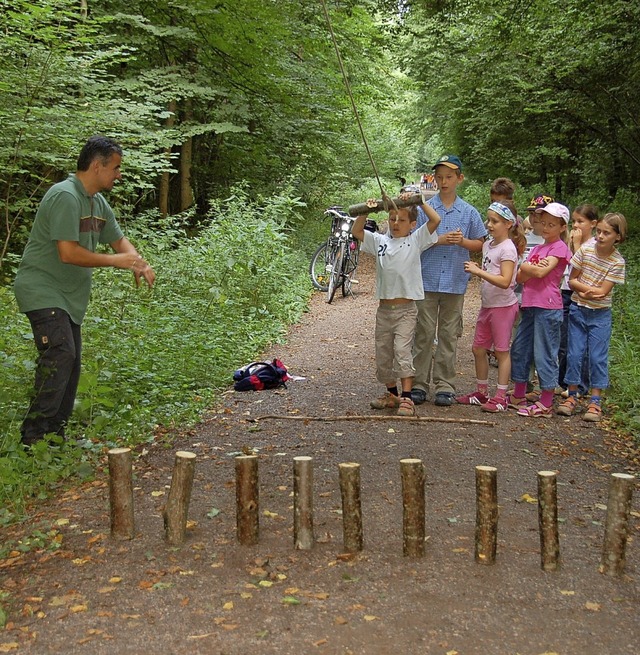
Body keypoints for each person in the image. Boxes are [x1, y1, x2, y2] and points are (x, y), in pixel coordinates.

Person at [14, 135, 155, 447]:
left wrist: (137, 262)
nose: (119, 174)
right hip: (43, 289)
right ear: (96, 166)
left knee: (71, 364)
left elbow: (119, 241)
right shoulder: (65, 196)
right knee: (61, 354)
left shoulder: (97, 202)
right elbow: (69, 253)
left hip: (68, 297)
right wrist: (118, 262)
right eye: (115, 167)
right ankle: (33, 439)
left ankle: (54, 439)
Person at [352, 195, 441, 416]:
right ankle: (392, 394)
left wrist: (419, 202)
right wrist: (365, 211)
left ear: (412, 225)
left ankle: (407, 398)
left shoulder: (415, 240)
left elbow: (435, 220)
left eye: (401, 220)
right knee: (383, 355)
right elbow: (357, 232)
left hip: (406, 310)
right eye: (392, 218)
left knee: (402, 351)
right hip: (384, 311)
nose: (395, 224)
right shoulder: (381, 241)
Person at [411, 155, 487, 406]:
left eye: (449, 177)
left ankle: (445, 384)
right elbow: (412, 243)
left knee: (449, 334)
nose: (444, 182)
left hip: (455, 282)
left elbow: (481, 243)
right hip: (427, 280)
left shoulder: (469, 212)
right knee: (423, 333)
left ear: (459, 179)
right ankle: (419, 383)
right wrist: (437, 240)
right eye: (439, 177)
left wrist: (462, 242)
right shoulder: (425, 209)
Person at [556, 213, 626, 422]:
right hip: (578, 309)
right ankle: (572, 395)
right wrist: (587, 290)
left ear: (618, 237)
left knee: (597, 357)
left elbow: (603, 291)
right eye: (599, 232)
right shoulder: (585, 250)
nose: (601, 236)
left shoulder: (617, 261)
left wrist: (586, 290)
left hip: (600, 315)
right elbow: (572, 279)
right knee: (574, 354)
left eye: (607, 233)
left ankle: (595, 402)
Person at [456, 202, 525, 412]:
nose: (489, 225)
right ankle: (482, 392)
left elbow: (505, 281)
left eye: (495, 221)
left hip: (503, 307)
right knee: (478, 349)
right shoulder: (489, 245)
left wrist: (478, 272)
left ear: (508, 224)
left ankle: (501, 396)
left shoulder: (508, 249)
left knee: (501, 351)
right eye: (488, 220)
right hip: (488, 306)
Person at [509, 202, 572, 416]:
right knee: (520, 348)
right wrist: (528, 269)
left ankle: (546, 401)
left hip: (548, 306)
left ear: (562, 227)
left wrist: (526, 268)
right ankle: (519, 394)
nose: (545, 228)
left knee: (544, 352)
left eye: (552, 224)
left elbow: (537, 273)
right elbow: (520, 277)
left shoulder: (560, 248)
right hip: (529, 304)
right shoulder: (537, 248)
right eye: (543, 223)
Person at [558, 203, 598, 395]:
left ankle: (580, 385)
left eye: (581, 221)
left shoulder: (593, 245)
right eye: (574, 221)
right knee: (564, 341)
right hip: (565, 291)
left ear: (593, 224)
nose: (576, 225)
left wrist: (576, 245)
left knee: (579, 344)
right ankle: (565, 382)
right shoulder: (571, 241)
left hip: (581, 296)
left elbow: (584, 268)